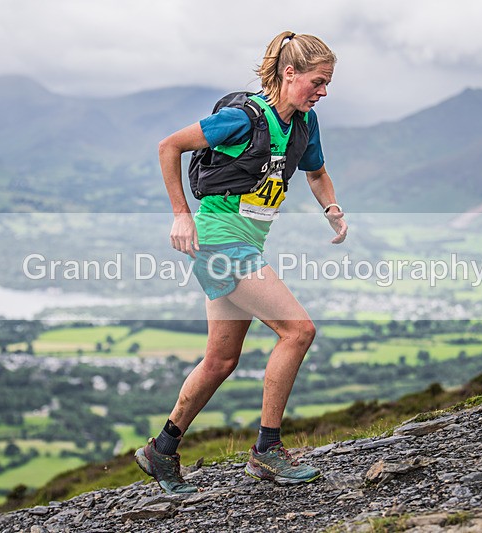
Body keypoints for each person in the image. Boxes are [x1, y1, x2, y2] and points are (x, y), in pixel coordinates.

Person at [135, 30, 347, 493]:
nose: (324, 91)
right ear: (289, 73)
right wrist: (180, 215)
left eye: (328, 83)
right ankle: (267, 452)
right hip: (218, 242)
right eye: (318, 80)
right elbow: (168, 146)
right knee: (298, 330)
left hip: (244, 244)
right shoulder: (242, 118)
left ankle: (161, 450)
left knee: (220, 359)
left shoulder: (303, 126)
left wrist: (331, 209)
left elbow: (317, 173)